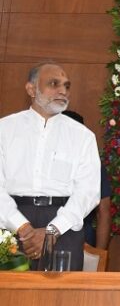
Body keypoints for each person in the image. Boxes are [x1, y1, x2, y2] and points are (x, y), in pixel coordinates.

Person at [0, 62, 100, 271]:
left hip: (64, 227)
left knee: (62, 293)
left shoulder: (82, 136)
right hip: (11, 224)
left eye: (66, 86)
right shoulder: (5, 129)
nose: (63, 91)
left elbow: (88, 193)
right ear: (31, 89)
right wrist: (22, 227)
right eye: (54, 84)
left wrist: (52, 230)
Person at [61, 110, 112, 250]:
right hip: (41, 238)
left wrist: (99, 255)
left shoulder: (93, 165)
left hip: (82, 242)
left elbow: (104, 212)